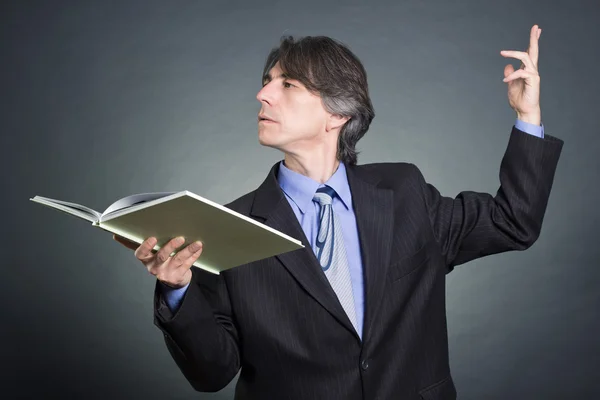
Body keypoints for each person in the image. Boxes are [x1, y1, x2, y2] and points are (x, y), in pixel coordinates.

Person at [114, 24, 563, 399]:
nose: (262, 94)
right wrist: (177, 289)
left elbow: (513, 222)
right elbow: (212, 374)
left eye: (286, 84)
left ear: (337, 114)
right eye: (267, 80)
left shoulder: (405, 192)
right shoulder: (230, 226)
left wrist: (528, 115)